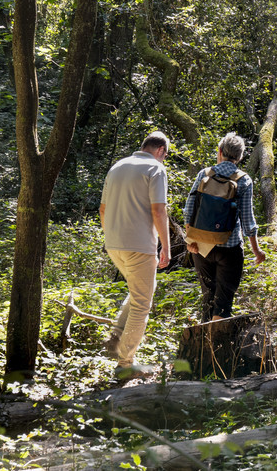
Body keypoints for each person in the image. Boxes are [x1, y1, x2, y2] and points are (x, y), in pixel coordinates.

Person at [99, 130, 172, 380]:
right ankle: (125, 363)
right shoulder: (156, 169)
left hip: (114, 244)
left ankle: (115, 338)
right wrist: (166, 247)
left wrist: (111, 237)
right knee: (142, 303)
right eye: (166, 155)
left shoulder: (117, 167)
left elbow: (102, 210)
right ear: (161, 151)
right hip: (139, 246)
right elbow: (158, 211)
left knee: (138, 291)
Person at [185, 132, 266, 322]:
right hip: (229, 249)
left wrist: (191, 241)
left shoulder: (204, 174)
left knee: (208, 299)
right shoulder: (244, 180)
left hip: (201, 249)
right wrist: (257, 251)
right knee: (223, 303)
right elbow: (248, 221)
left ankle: (206, 347)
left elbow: (188, 210)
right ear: (240, 157)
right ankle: (219, 346)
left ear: (220, 151)